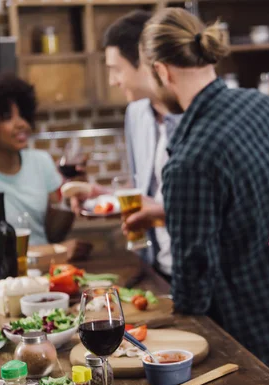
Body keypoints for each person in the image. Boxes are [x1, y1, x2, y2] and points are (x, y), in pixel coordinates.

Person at [139, 8, 269, 384]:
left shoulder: (189, 160)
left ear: (163, 70)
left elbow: (193, 284)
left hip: (250, 345)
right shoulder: (264, 106)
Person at [0, 73, 85, 257]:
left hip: (45, 272)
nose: (22, 124)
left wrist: (72, 199)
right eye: (6, 117)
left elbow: (53, 233)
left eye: (22, 115)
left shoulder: (40, 162)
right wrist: (56, 251)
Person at [94, 10, 182, 278]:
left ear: (145, 61)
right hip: (155, 265)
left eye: (115, 69)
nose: (112, 81)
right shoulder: (135, 114)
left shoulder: (193, 116)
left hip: (197, 269)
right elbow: (144, 192)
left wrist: (159, 212)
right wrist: (100, 195)